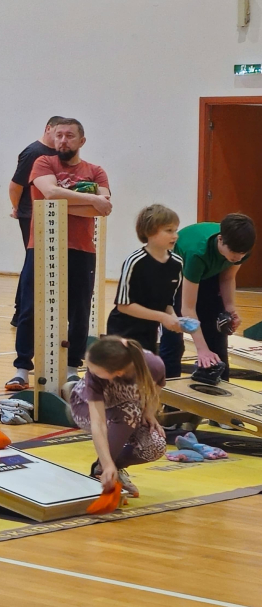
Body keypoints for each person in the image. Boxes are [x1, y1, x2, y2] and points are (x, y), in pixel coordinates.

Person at [6, 119, 112, 391]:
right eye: (59, 135)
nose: (63, 140)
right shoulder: (43, 163)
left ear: (81, 141)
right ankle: (21, 369)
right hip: (41, 245)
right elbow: (49, 192)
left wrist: (63, 205)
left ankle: (70, 368)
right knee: (30, 306)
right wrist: (91, 200)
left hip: (81, 249)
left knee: (79, 310)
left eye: (70, 136)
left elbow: (104, 208)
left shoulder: (96, 171)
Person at [68, 337, 166, 499]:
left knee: (156, 445)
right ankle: (102, 471)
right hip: (85, 407)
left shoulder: (154, 365)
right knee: (130, 412)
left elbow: (154, 390)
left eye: (95, 369)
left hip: (125, 411)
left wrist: (149, 412)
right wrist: (106, 464)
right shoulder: (96, 375)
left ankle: (114, 468)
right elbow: (98, 424)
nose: (89, 371)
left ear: (117, 374)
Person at [160, 214, 255, 378]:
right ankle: (169, 393)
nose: (238, 258)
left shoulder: (240, 250)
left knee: (217, 332)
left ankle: (216, 385)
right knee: (173, 339)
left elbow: (227, 277)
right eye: (234, 252)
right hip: (174, 274)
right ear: (220, 240)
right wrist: (201, 349)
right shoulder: (197, 253)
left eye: (242, 254)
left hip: (209, 273)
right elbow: (187, 309)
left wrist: (230, 308)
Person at [104, 205, 183, 354]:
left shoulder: (177, 263)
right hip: (123, 332)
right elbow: (123, 305)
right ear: (150, 232)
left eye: (175, 230)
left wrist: (173, 317)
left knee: (145, 374)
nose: (175, 236)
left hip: (150, 332)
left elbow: (167, 302)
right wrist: (162, 317)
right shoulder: (135, 261)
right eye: (169, 230)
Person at [9, 117, 63, 320]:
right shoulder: (33, 152)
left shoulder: (58, 154)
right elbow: (15, 185)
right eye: (58, 134)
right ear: (48, 129)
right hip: (31, 214)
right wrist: (16, 208)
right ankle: (20, 312)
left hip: (50, 214)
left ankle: (27, 311)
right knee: (34, 262)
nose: (61, 139)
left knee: (38, 263)